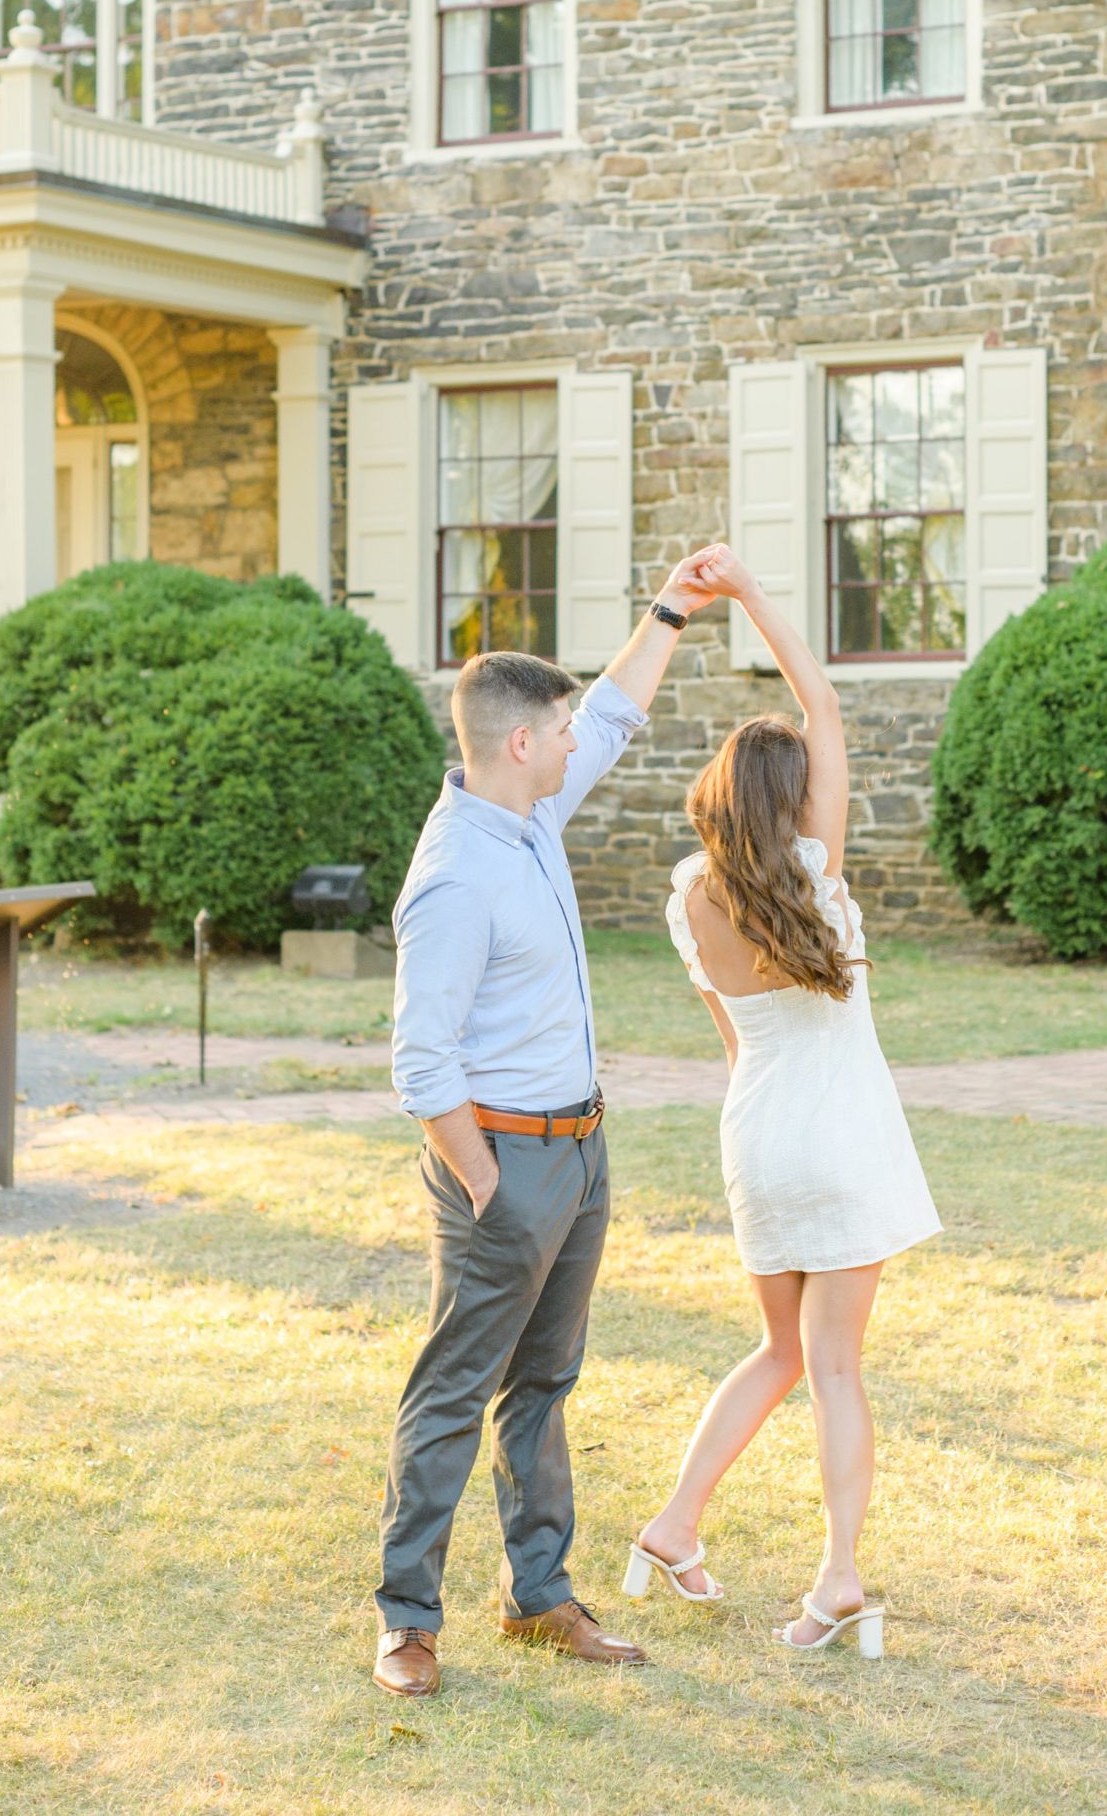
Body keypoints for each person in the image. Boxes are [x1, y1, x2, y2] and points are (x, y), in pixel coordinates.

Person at [373, 548, 724, 1700]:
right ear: (519, 742)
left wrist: (672, 607)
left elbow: (616, 710)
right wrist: (481, 1180)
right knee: (451, 1390)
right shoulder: (453, 874)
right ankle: (406, 1621)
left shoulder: (526, 811)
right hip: (504, 1165)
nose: (576, 741)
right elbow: (419, 1060)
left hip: (580, 1151)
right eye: (559, 729)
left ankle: (537, 1595)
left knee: (545, 1379)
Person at [627, 545, 940, 1657]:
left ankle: (671, 1525)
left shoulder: (686, 902)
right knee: (837, 1367)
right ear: (796, 796)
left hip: (757, 1131)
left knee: (777, 1351)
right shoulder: (817, 870)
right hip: (841, 1132)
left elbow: (730, 1045)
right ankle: (840, 1579)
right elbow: (821, 699)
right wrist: (753, 593)